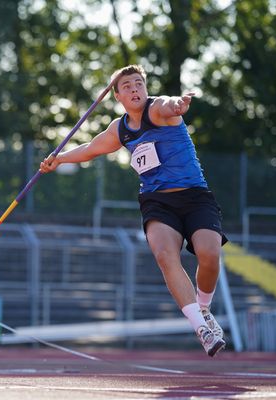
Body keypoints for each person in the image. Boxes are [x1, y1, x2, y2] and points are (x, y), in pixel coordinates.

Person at [39, 64, 228, 357]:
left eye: (138, 83)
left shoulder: (157, 110)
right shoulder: (120, 128)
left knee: (209, 254)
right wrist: (59, 159)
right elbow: (91, 148)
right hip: (157, 202)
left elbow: (169, 105)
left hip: (194, 196)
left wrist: (178, 103)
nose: (134, 89)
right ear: (117, 96)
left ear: (146, 88)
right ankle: (201, 329)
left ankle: (203, 308)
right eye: (126, 86)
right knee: (165, 255)